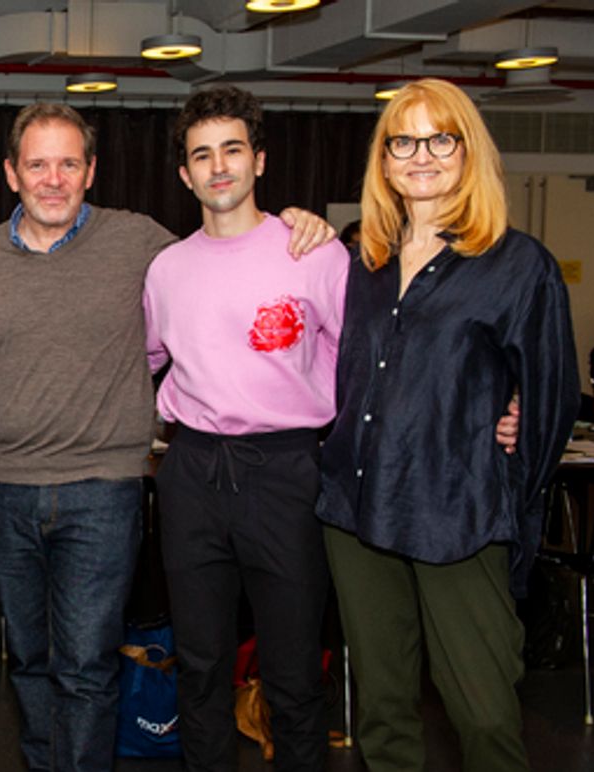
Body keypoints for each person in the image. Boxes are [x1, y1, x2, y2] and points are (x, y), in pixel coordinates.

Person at [0, 101, 334, 772]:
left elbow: (229, 238)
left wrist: (305, 222)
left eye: (69, 163)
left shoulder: (143, 245)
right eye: (38, 164)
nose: (53, 179)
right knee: (34, 663)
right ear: (12, 174)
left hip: (106, 488)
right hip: (7, 489)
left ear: (91, 171)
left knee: (90, 666)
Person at [317, 78, 579, 772]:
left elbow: (550, 400)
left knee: (486, 715)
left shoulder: (518, 265)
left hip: (458, 514)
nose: (420, 155)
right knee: (382, 714)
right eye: (403, 140)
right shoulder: (362, 263)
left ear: (468, 152)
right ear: (385, 158)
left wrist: (512, 454)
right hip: (355, 509)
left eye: (441, 138)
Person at [143, 86, 349, 772]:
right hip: (193, 473)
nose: (218, 166)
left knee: (292, 673)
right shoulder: (167, 269)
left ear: (259, 160)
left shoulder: (313, 252)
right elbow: (142, 362)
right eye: (202, 155)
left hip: (285, 471)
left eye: (232, 149)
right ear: (185, 174)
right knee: (199, 667)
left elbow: (367, 367)